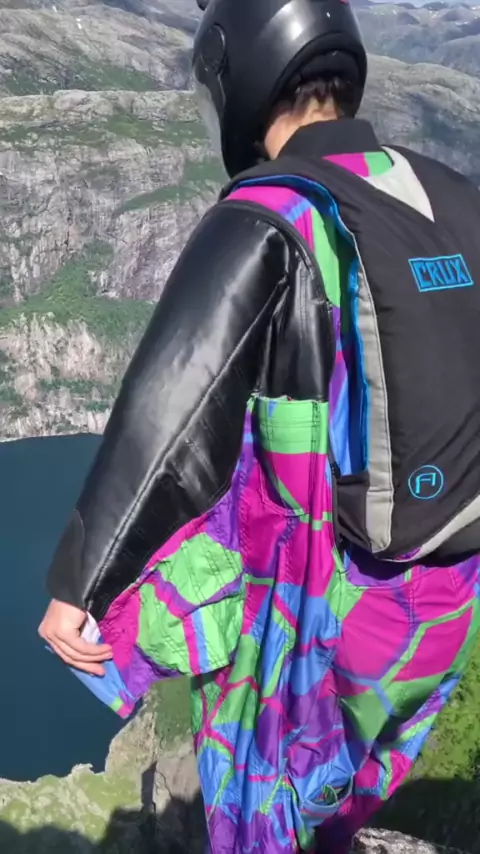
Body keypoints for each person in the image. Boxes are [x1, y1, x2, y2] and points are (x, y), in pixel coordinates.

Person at [39, 0, 480, 851]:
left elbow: (172, 412)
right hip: (444, 605)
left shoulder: (273, 213)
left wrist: (80, 583)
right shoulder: (454, 194)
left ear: (238, 73)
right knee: (348, 788)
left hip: (335, 602)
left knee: (264, 800)